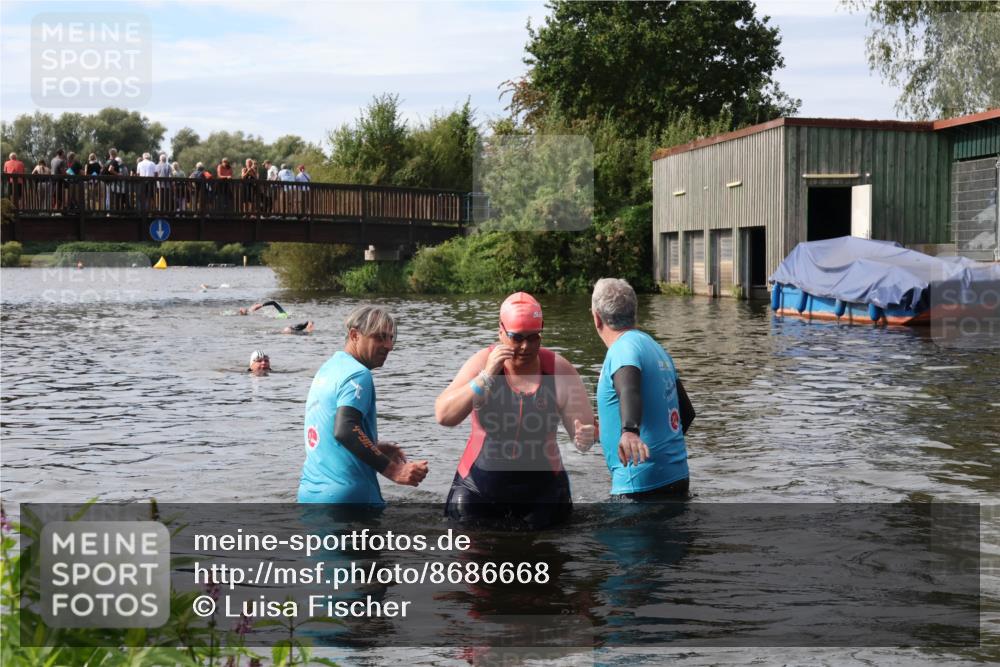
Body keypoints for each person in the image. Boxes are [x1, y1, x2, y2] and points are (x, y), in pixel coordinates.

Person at [435, 292, 595, 529]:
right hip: (477, 488)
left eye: (533, 337)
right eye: (517, 338)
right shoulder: (481, 363)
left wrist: (586, 437)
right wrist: (486, 376)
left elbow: (584, 439)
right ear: (501, 332)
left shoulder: (558, 370)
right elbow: (444, 415)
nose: (525, 346)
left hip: (543, 492)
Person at [298, 305, 428, 504]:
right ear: (354, 335)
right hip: (350, 499)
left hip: (310, 494)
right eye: (380, 337)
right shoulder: (358, 374)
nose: (389, 346)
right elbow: (346, 430)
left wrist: (374, 448)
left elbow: (328, 433)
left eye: (391, 338)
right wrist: (394, 470)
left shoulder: (329, 368)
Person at [590, 278, 695, 500]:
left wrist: (629, 431)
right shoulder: (656, 348)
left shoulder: (622, 349)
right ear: (634, 313)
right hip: (676, 477)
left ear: (597, 318)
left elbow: (628, 388)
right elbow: (687, 413)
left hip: (638, 484)